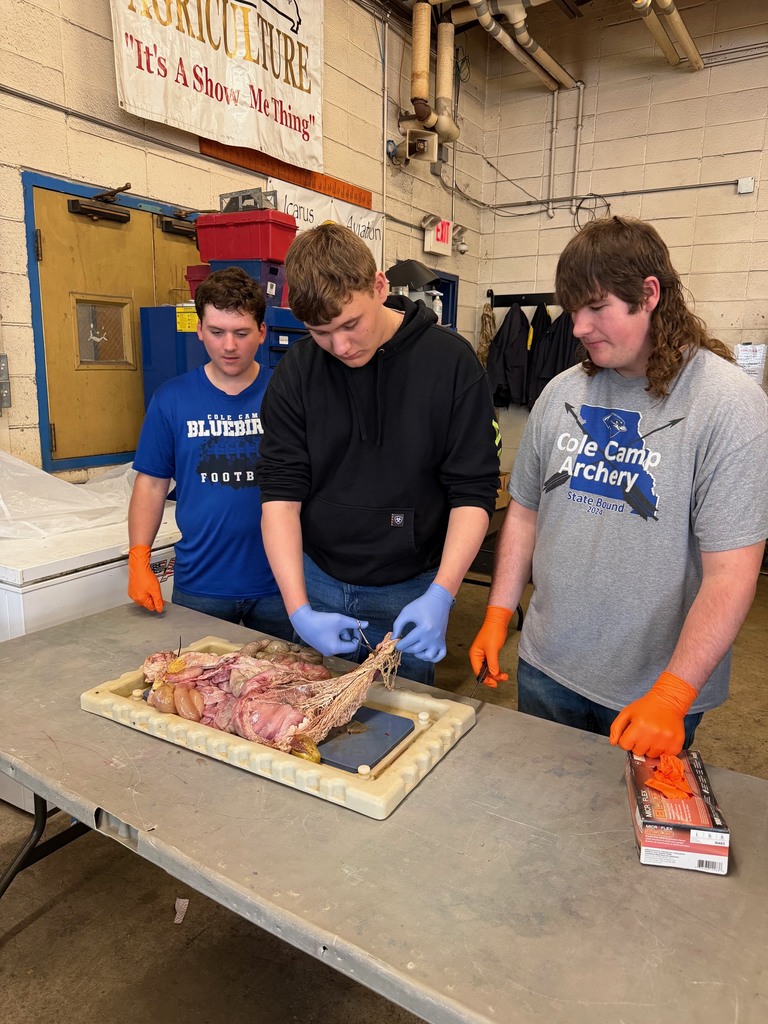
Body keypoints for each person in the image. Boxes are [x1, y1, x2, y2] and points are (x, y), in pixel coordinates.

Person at [470, 215, 768, 757]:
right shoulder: (561, 392)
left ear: (649, 294)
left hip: (650, 690)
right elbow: (525, 512)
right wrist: (497, 613)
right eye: (571, 309)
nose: (577, 327)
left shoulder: (729, 405)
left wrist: (674, 695)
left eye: (595, 307)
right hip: (546, 666)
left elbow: (732, 574)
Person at [257, 223, 500, 684]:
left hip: (412, 589)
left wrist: (443, 595)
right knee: (314, 721)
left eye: (351, 324)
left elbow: (473, 491)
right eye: (321, 333)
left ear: (379, 285)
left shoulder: (450, 363)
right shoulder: (296, 374)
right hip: (320, 582)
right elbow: (280, 498)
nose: (342, 346)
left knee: (401, 729)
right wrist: (299, 609)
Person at [127, 266, 292, 640]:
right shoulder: (171, 398)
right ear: (199, 330)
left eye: (241, 333)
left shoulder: (287, 394)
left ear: (262, 332)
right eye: (217, 332)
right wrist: (139, 557)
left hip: (281, 585)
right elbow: (152, 485)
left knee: (280, 692)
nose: (229, 345)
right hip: (200, 584)